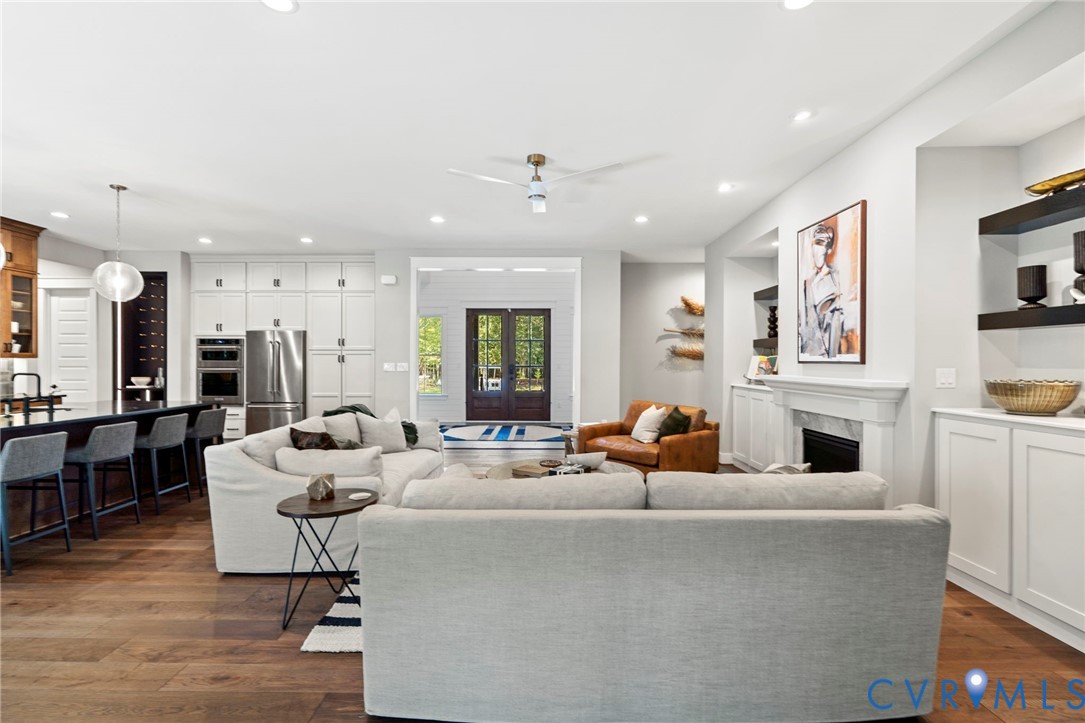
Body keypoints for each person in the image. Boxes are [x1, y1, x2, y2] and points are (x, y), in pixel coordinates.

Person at [800, 222, 844, 358]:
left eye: (822, 243)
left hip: (827, 356)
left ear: (828, 249)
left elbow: (836, 325)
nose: (817, 250)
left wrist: (832, 357)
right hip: (808, 354)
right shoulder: (807, 283)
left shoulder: (836, 280)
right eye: (815, 243)